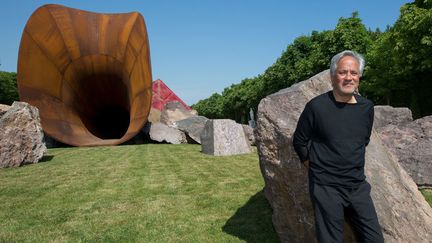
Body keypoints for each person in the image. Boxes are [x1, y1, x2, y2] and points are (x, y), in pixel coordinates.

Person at [292, 50, 384, 243]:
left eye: (354, 73)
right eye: (343, 72)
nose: (349, 77)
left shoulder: (366, 107)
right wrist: (314, 166)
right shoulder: (316, 107)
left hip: (357, 186)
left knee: (374, 239)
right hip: (326, 187)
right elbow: (299, 141)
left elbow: (363, 140)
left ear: (359, 76)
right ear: (333, 76)